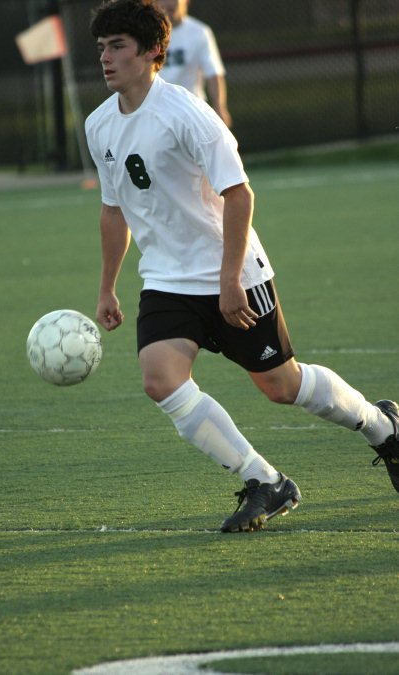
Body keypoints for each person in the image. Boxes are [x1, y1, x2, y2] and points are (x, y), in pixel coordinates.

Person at [85, 0, 399, 533]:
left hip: (233, 273)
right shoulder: (98, 124)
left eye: (118, 46)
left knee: (281, 385)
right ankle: (264, 481)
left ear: (153, 52)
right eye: (101, 48)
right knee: (160, 380)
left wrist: (230, 280)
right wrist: (107, 287)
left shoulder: (187, 114)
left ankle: (382, 426)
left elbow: (239, 194)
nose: (106, 59)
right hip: (165, 280)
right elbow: (114, 211)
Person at [158, 0, 232, 127]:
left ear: (186, 2)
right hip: (158, 111)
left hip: (191, 111)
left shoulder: (200, 32)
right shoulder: (147, 33)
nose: (169, 3)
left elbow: (213, 73)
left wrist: (219, 106)